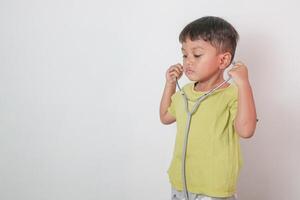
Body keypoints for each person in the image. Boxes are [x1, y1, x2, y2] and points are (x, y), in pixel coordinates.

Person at [159, 16, 258, 200]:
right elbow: (165, 116)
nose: (188, 61)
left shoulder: (231, 94)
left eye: (196, 55)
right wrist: (170, 83)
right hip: (181, 182)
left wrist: (244, 84)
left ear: (223, 60)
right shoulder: (186, 92)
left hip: (214, 187)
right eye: (185, 54)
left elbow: (246, 130)